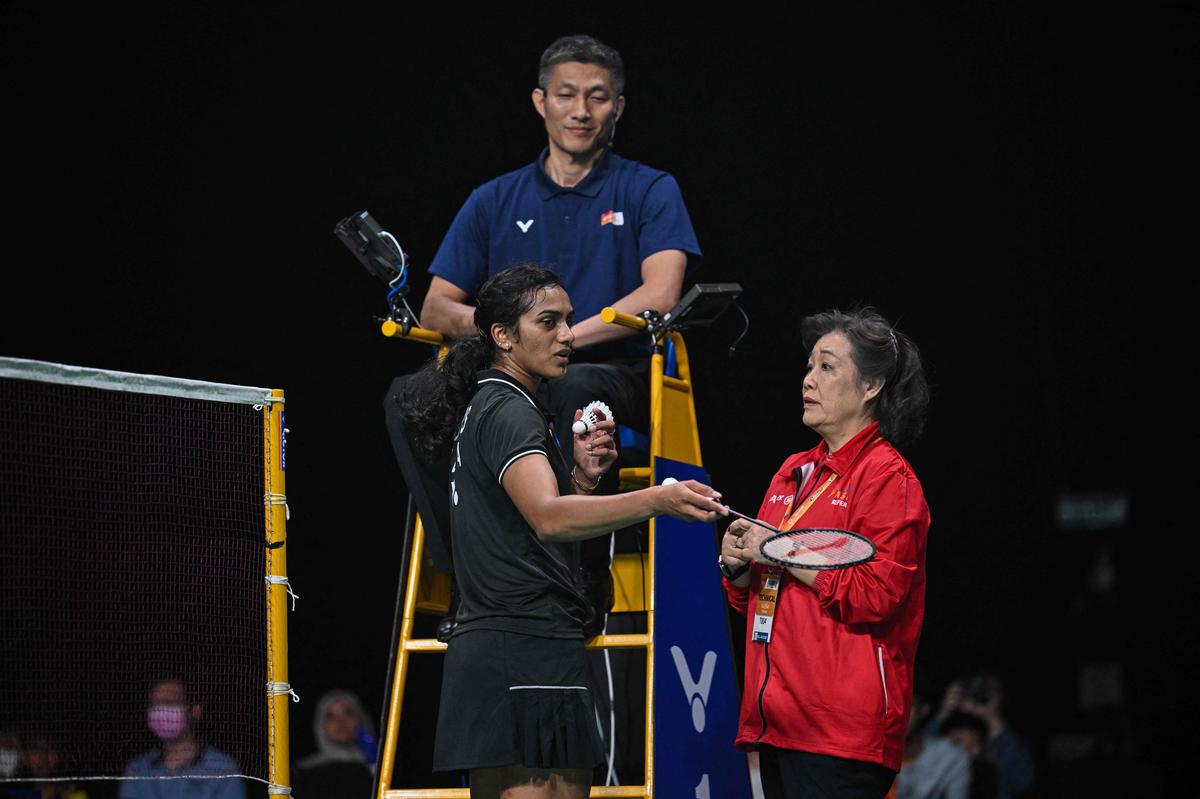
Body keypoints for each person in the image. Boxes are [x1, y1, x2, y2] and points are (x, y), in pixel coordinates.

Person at [401, 264, 725, 799]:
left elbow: (528, 523)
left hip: (536, 639)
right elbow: (549, 518)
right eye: (548, 323)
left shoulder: (508, 405)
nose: (569, 336)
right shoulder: (508, 410)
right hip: (514, 643)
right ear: (503, 336)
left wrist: (581, 480)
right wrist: (657, 499)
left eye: (569, 321)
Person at [419, 33, 701, 474]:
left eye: (597, 97)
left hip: (615, 370)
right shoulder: (493, 198)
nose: (581, 112)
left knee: (575, 386)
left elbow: (662, 294)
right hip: (511, 366)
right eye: (566, 95)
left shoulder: (649, 188)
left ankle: (569, 540)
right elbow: (435, 308)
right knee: (413, 394)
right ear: (540, 101)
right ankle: (460, 541)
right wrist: (512, 343)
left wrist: (557, 341)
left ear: (618, 108)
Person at [720, 307, 931, 799]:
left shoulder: (887, 478)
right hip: (775, 724)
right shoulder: (791, 471)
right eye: (809, 366)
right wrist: (738, 568)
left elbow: (877, 595)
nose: (808, 380)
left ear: (872, 385)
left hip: (840, 736)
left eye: (827, 367)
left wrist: (780, 551)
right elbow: (760, 597)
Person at [119, 679, 244, 799]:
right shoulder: (137, 769)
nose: (161, 710)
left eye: (170, 703)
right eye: (154, 704)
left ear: (195, 711)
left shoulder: (222, 768)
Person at [291, 689, 376, 798]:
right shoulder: (302, 773)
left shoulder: (382, 765)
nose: (341, 722)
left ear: (361, 718)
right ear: (321, 726)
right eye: (331, 716)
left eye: (348, 713)